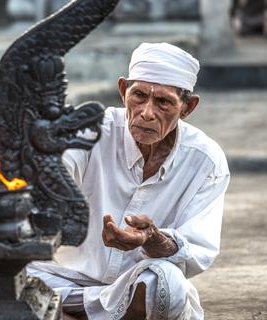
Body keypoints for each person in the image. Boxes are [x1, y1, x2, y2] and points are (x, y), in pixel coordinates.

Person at [27, 43, 230, 320]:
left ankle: (77, 311)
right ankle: (102, 311)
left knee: (167, 284)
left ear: (187, 107)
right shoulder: (91, 130)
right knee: (9, 277)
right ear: (123, 91)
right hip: (65, 277)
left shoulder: (206, 161)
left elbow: (195, 252)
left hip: (135, 286)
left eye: (163, 102)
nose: (147, 112)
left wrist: (151, 238)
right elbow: (55, 173)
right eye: (139, 96)